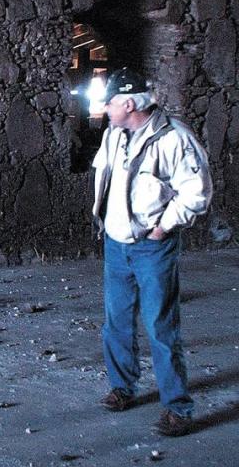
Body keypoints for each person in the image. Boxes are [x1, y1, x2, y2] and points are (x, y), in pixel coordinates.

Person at [90, 67, 212, 437]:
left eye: (109, 102)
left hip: (151, 248)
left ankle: (178, 408)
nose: (104, 108)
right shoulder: (114, 134)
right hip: (116, 246)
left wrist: (163, 227)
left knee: (160, 326)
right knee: (117, 324)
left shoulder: (174, 139)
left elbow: (197, 191)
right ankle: (123, 388)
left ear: (128, 103)